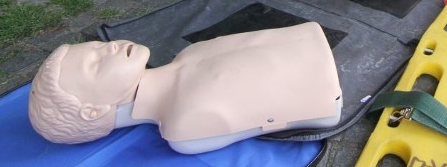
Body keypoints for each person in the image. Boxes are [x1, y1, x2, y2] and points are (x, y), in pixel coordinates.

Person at [27, 23, 342, 155]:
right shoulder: (185, 127)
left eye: (97, 45)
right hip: (328, 86)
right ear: (93, 110)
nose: (109, 47)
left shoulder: (187, 56)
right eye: (95, 63)